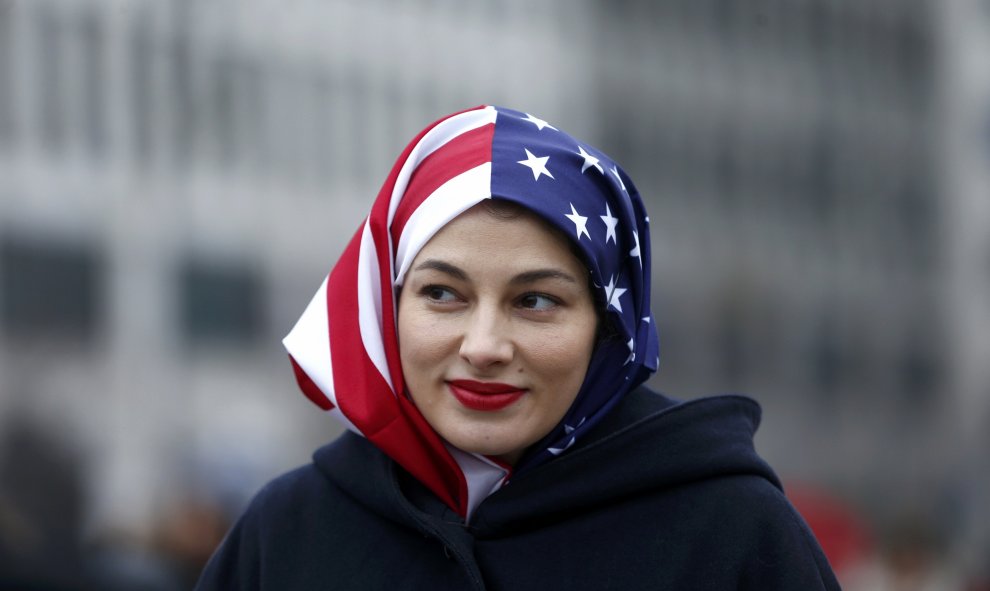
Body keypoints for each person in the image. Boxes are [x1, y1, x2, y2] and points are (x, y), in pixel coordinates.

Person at [195, 105, 840, 590]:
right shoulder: (286, 534)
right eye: (442, 294)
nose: (484, 346)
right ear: (387, 309)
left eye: (536, 301)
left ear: (608, 327)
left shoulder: (733, 534)